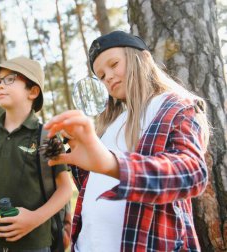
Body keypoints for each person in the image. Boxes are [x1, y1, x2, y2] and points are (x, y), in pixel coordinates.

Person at [44, 31, 210, 251]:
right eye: (101, 76)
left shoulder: (175, 105)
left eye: (114, 64)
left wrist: (112, 163)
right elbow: (94, 187)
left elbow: (192, 172)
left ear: (143, 58)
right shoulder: (110, 125)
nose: (109, 77)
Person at [0, 56, 73, 252]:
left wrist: (34, 219)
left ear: (33, 91)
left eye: (9, 79)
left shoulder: (47, 136)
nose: (0, 86)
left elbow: (65, 189)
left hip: (34, 242)